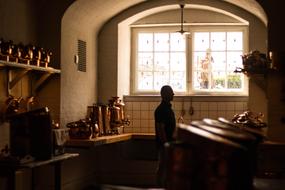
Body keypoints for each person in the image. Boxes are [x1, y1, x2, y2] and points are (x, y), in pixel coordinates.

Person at [154, 85, 176, 187]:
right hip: (165, 144)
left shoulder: (166, 108)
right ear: (165, 94)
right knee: (163, 167)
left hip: (167, 143)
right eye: (171, 92)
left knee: (165, 167)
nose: (173, 94)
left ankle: (163, 186)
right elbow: (160, 128)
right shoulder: (162, 110)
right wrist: (166, 144)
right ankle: (160, 187)